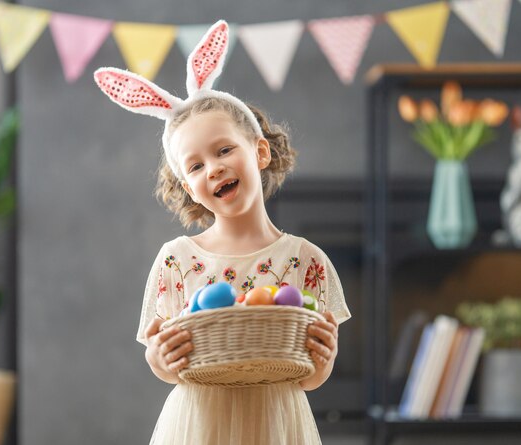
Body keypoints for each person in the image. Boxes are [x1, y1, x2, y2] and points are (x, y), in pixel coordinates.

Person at [94, 20, 351, 445]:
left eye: (224, 149)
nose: (212, 168)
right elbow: (164, 362)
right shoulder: (177, 259)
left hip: (277, 421)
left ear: (260, 151)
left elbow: (310, 376)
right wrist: (159, 358)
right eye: (194, 166)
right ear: (187, 186)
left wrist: (323, 361)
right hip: (199, 422)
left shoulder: (307, 261)